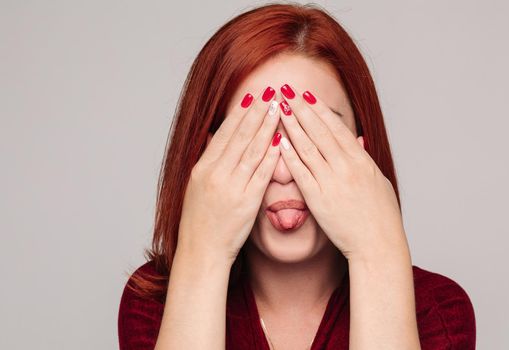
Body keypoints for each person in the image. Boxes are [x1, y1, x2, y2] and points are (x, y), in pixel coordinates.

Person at [118, 3, 476, 349]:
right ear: (210, 157)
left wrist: (378, 253)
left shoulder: (437, 309)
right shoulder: (155, 302)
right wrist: (203, 254)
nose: (284, 171)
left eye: (313, 136)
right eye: (257, 136)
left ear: (361, 152)